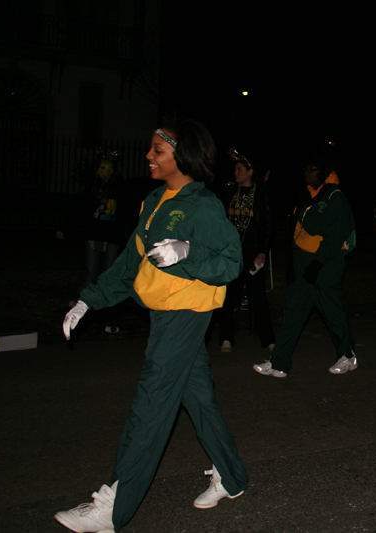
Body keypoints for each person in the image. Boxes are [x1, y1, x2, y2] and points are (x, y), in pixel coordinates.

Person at [55, 120, 248, 533]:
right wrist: (89, 298)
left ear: (183, 155)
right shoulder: (154, 201)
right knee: (197, 398)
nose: (149, 156)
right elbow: (129, 264)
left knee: (153, 402)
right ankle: (232, 477)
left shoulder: (203, 206)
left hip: (186, 313)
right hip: (162, 312)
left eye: (158, 150)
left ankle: (114, 508)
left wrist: (189, 252)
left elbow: (231, 263)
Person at [253, 154, 357, 377]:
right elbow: (297, 230)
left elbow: (337, 235)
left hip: (325, 263)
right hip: (303, 263)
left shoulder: (334, 197)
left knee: (331, 311)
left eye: (313, 169)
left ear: (325, 172)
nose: (307, 173)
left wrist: (317, 264)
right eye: (305, 168)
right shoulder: (308, 197)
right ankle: (279, 362)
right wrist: (294, 262)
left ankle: (348, 356)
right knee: (294, 312)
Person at [217, 149, 275, 353]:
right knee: (229, 294)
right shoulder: (230, 192)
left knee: (257, 295)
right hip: (232, 253)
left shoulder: (261, 193)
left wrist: (263, 251)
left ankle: (268, 339)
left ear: (250, 172)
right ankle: (226, 338)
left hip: (253, 252)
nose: (236, 173)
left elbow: (268, 224)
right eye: (235, 169)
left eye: (239, 169)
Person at [57, 150, 125, 288]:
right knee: (91, 273)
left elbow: (128, 211)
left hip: (112, 237)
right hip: (93, 235)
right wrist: (64, 228)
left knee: (108, 273)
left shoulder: (121, 189)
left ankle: (104, 303)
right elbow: (79, 209)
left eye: (104, 167)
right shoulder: (92, 190)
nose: (100, 171)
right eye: (99, 168)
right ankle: (87, 304)